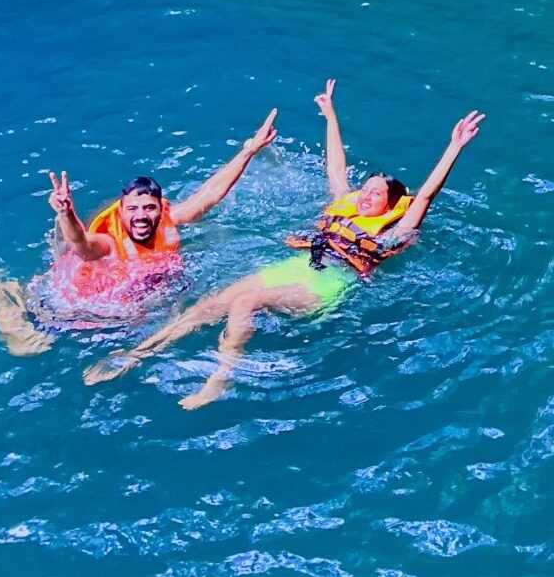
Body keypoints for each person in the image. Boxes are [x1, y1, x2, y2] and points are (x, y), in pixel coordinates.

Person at [83, 80, 483, 411]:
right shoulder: (345, 205)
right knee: (209, 305)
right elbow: (336, 168)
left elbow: (426, 195)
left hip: (329, 282)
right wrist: (330, 115)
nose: (365, 195)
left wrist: (454, 147)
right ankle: (136, 354)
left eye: (376, 193)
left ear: (391, 206)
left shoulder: (389, 232)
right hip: (296, 267)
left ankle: (220, 378)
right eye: (366, 188)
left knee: (247, 302)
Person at [0, 111, 278, 356]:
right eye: (133, 209)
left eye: (149, 208)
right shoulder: (110, 243)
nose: (141, 216)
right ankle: (4, 295)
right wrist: (66, 213)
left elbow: (210, 192)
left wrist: (249, 150)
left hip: (139, 293)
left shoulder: (171, 219)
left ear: (160, 209)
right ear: (122, 211)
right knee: (33, 346)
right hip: (81, 303)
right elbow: (82, 245)